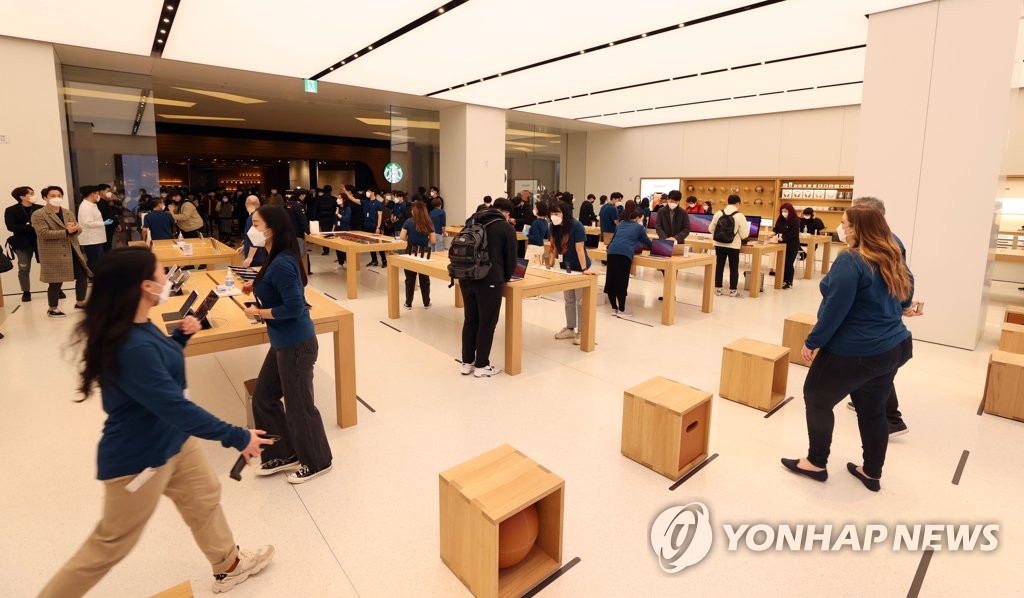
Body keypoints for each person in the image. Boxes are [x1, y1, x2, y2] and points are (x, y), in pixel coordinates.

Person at [38, 247, 275, 597]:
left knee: (204, 498)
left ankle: (229, 565)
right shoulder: (131, 346)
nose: (168, 278)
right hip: (140, 459)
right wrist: (236, 436)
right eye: (162, 273)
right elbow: (173, 405)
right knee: (110, 544)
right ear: (145, 286)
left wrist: (180, 337)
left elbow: (158, 376)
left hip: (174, 441)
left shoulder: (138, 324)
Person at [782, 206, 916, 493]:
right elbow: (908, 288)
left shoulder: (851, 261)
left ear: (857, 228)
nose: (840, 228)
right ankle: (871, 472)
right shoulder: (891, 253)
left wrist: (812, 341)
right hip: (893, 347)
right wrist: (903, 307)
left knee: (816, 399)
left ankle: (816, 462)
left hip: (855, 350)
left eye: (844, 224)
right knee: (872, 411)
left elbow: (834, 310)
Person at [242, 205, 334, 483]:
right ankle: (284, 453)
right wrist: (256, 291)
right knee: (264, 397)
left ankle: (318, 461)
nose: (252, 231)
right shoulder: (274, 257)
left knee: (299, 406)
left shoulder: (281, 262)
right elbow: (278, 292)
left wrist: (258, 313)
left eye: (256, 225)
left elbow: (294, 307)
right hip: (283, 341)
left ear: (272, 229)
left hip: (296, 344)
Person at [841, 196, 918, 436]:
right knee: (874, 368)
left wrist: (903, 302)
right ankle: (868, 402)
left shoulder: (886, 243)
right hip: (880, 318)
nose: (846, 225)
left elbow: (904, 277)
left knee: (879, 367)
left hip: (878, 322)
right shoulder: (883, 241)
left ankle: (892, 419)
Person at [460, 198, 517, 378]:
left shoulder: (472, 220)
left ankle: (466, 363)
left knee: (470, 319)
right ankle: (482, 365)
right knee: (487, 322)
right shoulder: (505, 227)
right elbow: (511, 260)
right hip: (489, 280)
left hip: (466, 276)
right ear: (506, 212)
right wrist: (506, 277)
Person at [33, 186, 90, 317]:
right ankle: (52, 308)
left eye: (59, 195)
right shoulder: (39, 214)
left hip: (72, 249)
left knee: (82, 275)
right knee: (55, 281)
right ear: (45, 198)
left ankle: (80, 302)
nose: (56, 198)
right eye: (52, 195)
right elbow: (43, 233)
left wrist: (75, 229)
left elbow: (78, 229)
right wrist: (66, 231)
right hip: (53, 252)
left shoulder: (67, 212)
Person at [550, 201, 595, 345]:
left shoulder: (577, 226)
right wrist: (550, 264)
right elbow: (554, 247)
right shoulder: (553, 226)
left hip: (580, 268)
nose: (553, 216)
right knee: (569, 300)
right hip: (566, 268)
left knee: (581, 302)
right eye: (551, 214)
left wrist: (584, 269)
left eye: (556, 213)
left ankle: (582, 331)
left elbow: (580, 249)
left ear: (564, 213)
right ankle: (570, 328)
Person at [605, 201, 651, 317]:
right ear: (637, 218)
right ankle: (622, 310)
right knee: (622, 281)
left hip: (611, 252)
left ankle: (614, 309)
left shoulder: (620, 224)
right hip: (624, 254)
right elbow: (648, 243)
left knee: (611, 280)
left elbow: (613, 239)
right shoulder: (639, 228)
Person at [5, 185, 41, 301]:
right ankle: (26, 292)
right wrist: (31, 227)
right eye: (30, 193)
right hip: (22, 243)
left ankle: (56, 288)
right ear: (22, 197)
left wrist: (27, 226)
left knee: (48, 265)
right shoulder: (11, 210)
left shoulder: (41, 208)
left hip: (41, 241)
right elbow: (11, 227)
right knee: (24, 268)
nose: (33, 195)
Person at [709, 195, 750, 298]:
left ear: (728, 202)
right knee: (733, 267)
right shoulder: (740, 215)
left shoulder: (719, 213)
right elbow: (744, 235)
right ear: (737, 203)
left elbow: (710, 229)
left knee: (719, 266)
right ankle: (733, 291)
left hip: (718, 244)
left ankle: (718, 289)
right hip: (733, 245)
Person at [400, 201, 436, 310]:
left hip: (410, 251)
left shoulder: (408, 221)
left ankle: (408, 303)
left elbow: (402, 237)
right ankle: (426, 303)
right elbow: (433, 240)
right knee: (424, 279)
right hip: (424, 252)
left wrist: (409, 238)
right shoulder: (428, 222)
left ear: (414, 211)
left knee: (410, 279)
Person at [77, 185, 107, 272]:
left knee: (98, 260)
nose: (98, 196)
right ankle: (92, 277)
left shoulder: (91, 205)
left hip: (96, 238)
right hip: (91, 239)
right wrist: (103, 223)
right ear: (92, 194)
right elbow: (87, 223)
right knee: (94, 261)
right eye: (97, 194)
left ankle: (96, 277)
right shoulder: (85, 206)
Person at [772, 202, 801, 289]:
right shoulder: (780, 219)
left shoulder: (795, 220)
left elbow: (793, 233)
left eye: (785, 211)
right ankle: (782, 280)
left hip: (792, 245)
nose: (783, 213)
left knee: (788, 263)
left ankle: (789, 282)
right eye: (782, 211)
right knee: (782, 263)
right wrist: (773, 232)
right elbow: (776, 228)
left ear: (790, 211)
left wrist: (783, 238)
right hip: (782, 245)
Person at [286, 190, 311, 274]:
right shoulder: (298, 205)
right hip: (297, 232)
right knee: (300, 253)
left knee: (293, 252)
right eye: (304, 195)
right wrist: (307, 231)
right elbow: (302, 219)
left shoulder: (289, 204)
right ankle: (296, 271)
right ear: (301, 196)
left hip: (290, 231)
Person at [239, 195, 266, 268]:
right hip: (261, 254)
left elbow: (257, 238)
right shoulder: (261, 215)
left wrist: (249, 258)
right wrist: (244, 246)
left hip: (256, 257)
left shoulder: (253, 218)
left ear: (246, 204)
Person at [362, 189, 386, 266]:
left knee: (378, 244)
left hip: (375, 226)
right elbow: (354, 200)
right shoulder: (366, 202)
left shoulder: (378, 203)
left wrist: (378, 227)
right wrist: (345, 191)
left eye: (369, 191)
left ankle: (384, 260)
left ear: (373, 192)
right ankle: (374, 260)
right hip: (367, 226)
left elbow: (380, 216)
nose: (367, 193)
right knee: (370, 244)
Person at [332, 193, 354, 270]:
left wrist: (338, 214)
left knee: (345, 248)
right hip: (337, 229)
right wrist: (333, 229)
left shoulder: (348, 208)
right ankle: (340, 263)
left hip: (345, 230)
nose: (338, 199)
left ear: (344, 199)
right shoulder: (338, 208)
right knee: (338, 248)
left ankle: (349, 263)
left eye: (340, 198)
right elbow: (335, 220)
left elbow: (346, 219)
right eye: (337, 198)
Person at [97, 184, 120, 251]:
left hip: (109, 227)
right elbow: (108, 216)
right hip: (106, 228)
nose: (110, 193)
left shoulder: (106, 202)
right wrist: (116, 224)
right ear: (101, 191)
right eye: (108, 191)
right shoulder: (100, 203)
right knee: (107, 248)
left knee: (108, 247)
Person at [316, 185, 337, 255]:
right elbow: (335, 210)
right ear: (331, 190)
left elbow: (316, 210)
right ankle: (333, 246)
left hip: (323, 219)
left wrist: (316, 219)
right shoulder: (334, 199)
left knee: (325, 234)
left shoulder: (319, 199)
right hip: (331, 218)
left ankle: (326, 250)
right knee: (331, 233)